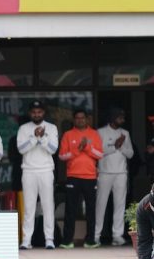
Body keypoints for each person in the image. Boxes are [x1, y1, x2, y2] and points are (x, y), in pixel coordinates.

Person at [58, 110, 103, 248]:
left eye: (82, 118)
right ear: (74, 120)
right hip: (73, 176)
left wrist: (87, 148)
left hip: (90, 176)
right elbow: (62, 156)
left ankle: (90, 240)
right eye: (77, 118)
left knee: (90, 210)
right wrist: (78, 149)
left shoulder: (94, 134)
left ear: (87, 119)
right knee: (70, 210)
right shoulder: (68, 134)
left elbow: (100, 154)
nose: (80, 120)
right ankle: (67, 241)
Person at [17, 101, 58, 249]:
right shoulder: (23, 128)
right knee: (29, 207)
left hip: (46, 170)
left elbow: (53, 149)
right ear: (30, 113)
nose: (36, 114)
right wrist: (34, 137)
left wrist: (42, 138)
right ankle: (27, 240)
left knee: (48, 206)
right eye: (34, 112)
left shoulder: (52, 128)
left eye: (39, 112)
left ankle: (49, 240)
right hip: (28, 171)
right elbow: (21, 149)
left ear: (43, 113)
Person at [94, 107, 134, 246]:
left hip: (121, 173)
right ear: (112, 118)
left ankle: (117, 235)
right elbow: (98, 152)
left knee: (120, 205)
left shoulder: (125, 133)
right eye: (119, 118)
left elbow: (130, 154)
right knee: (100, 205)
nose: (122, 120)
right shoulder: (100, 132)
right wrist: (114, 146)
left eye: (123, 118)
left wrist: (121, 146)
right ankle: (96, 235)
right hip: (104, 173)